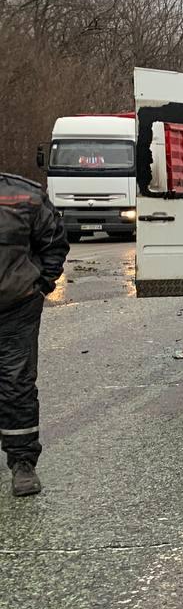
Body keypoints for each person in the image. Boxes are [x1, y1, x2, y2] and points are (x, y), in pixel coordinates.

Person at [0, 171, 69, 497]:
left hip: (16, 308)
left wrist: (40, 285)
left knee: (16, 384)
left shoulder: (23, 195)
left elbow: (54, 241)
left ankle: (23, 464)